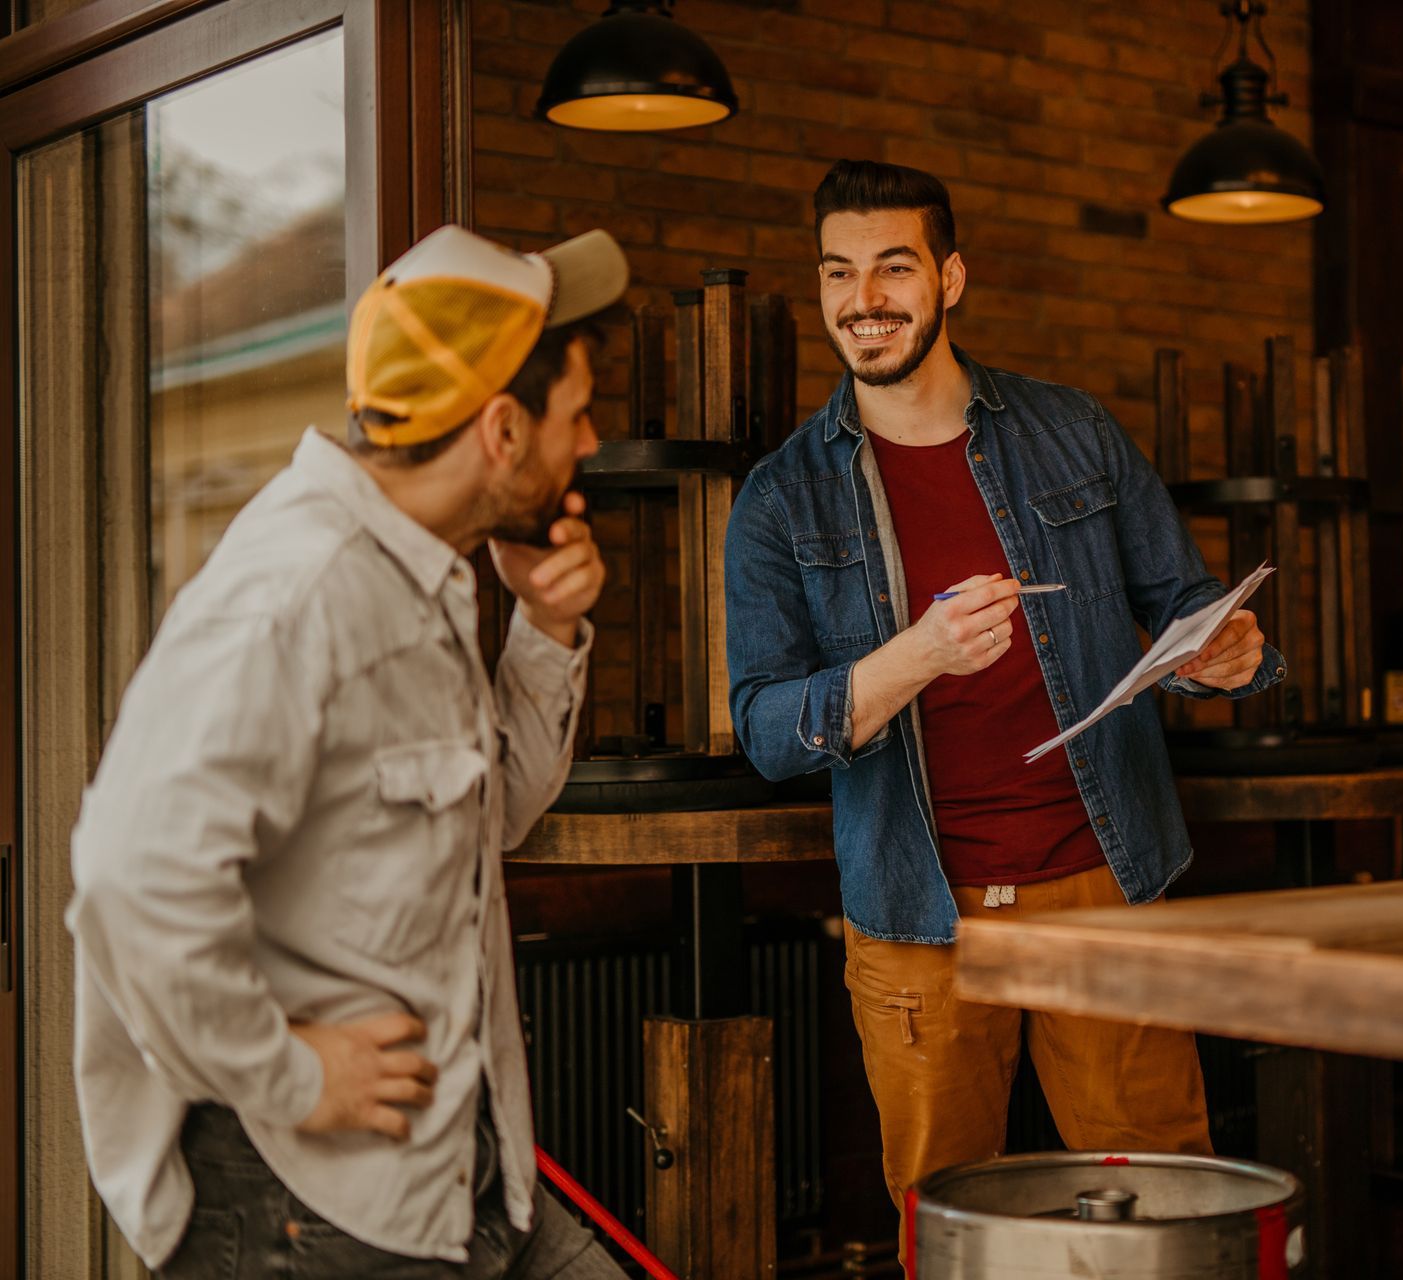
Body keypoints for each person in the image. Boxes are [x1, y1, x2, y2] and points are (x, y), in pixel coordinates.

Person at [724, 160, 1286, 1239]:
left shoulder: (1071, 429)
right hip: (917, 919)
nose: (863, 297)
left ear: (952, 276)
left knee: (1166, 1216)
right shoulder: (781, 495)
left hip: (1102, 889)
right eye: (839, 271)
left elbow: (1189, 600)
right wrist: (921, 652)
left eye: (894, 266)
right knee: (947, 1230)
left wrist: (1228, 650)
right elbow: (765, 729)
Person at [67, 224, 632, 1278]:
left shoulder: (422, 574)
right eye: (577, 414)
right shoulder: (299, 593)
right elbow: (126, 875)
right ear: (503, 431)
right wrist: (281, 1069)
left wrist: (544, 631)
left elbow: (490, 817)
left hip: (457, 1173)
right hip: (311, 1207)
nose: (590, 444)